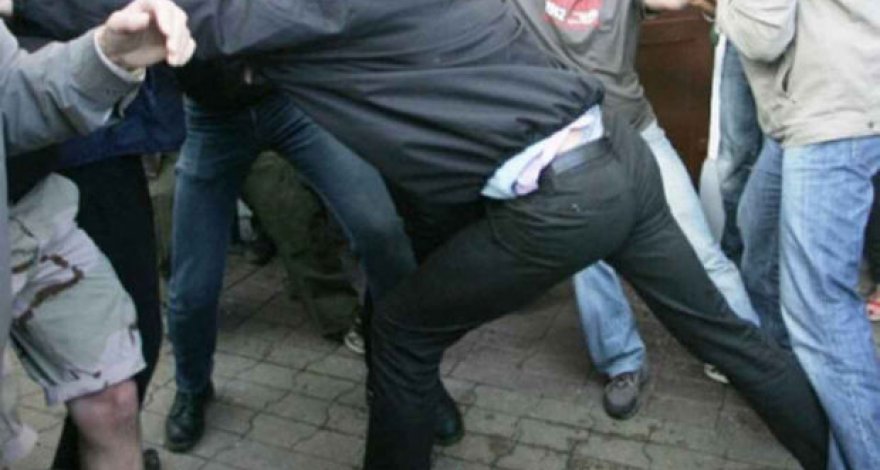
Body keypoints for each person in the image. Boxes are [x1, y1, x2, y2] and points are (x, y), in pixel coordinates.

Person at [505, 0, 762, 420]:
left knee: (700, 247)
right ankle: (622, 363)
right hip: (568, 141)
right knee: (587, 259)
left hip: (636, 127)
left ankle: (755, 354)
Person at [0, 0, 195, 466]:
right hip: (72, 151)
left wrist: (107, 55)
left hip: (50, 177)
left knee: (117, 387)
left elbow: (15, 92)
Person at [719, 0, 880, 468]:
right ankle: (796, 387)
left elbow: (762, 35)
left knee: (820, 308)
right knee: (758, 229)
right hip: (816, 98)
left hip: (830, 110)